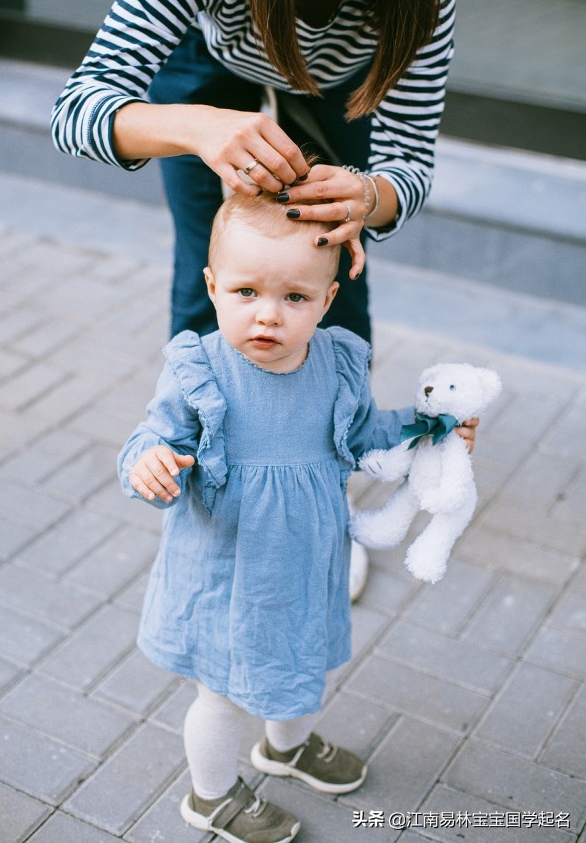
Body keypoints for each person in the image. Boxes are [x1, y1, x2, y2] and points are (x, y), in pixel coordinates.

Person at [52, 0, 455, 598]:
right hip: (209, 69)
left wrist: (370, 195)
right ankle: (205, 485)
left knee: (328, 276)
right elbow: (76, 110)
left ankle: (319, 497)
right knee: (212, 281)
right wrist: (199, 129)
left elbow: (409, 167)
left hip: (344, 81)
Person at [117, 193, 477, 843]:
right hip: (228, 570)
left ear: (326, 299)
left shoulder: (335, 366)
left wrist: (431, 431)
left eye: (293, 298)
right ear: (212, 286)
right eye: (246, 291)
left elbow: (368, 432)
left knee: (302, 661)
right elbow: (150, 439)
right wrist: (150, 464)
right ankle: (212, 795)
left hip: (307, 561)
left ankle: (283, 748)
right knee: (222, 694)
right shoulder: (201, 372)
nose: (267, 314)